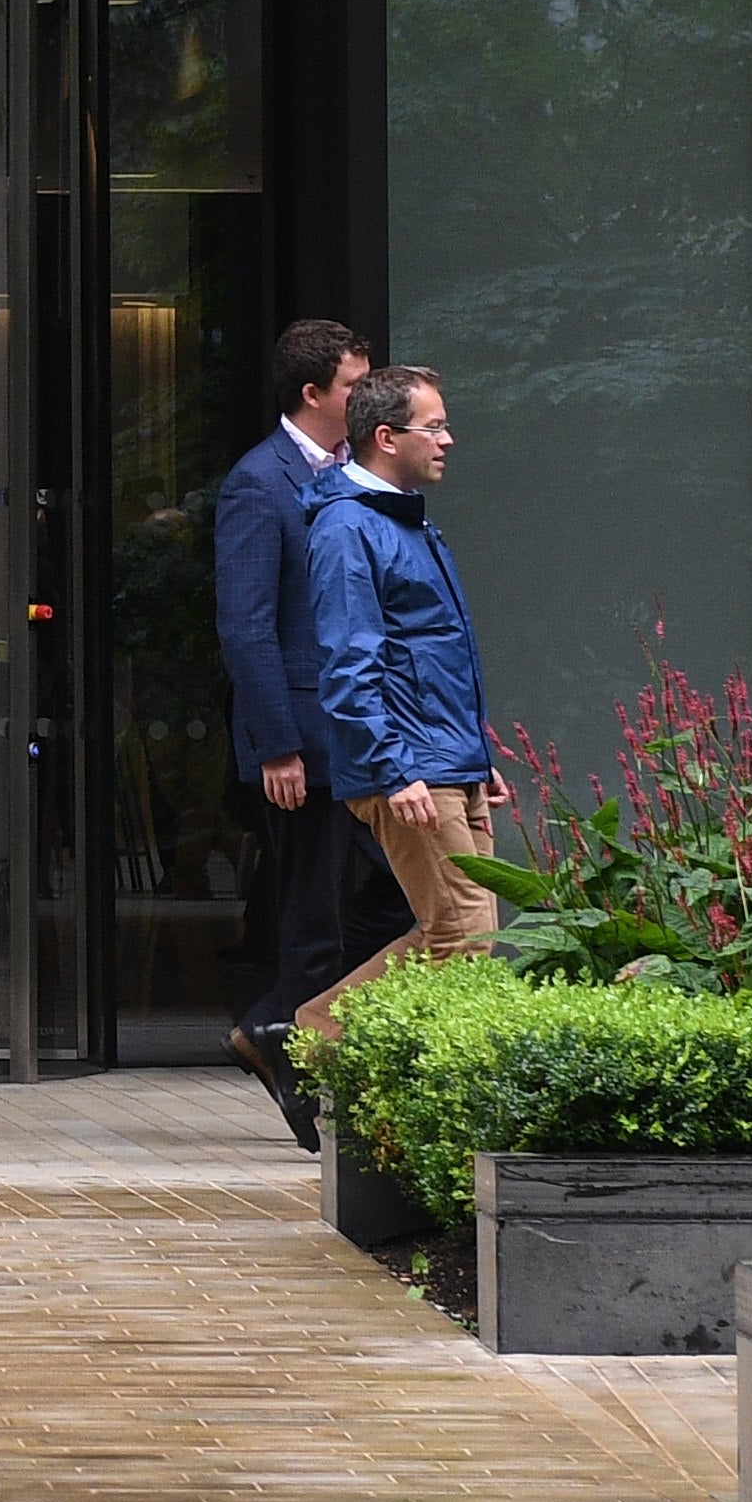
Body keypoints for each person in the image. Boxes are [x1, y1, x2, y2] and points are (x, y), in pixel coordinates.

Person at [214, 316, 402, 1143]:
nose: (366, 397)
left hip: (358, 734)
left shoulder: (352, 475)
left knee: (399, 896)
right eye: (356, 385)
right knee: (313, 911)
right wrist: (276, 744)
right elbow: (246, 624)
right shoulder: (261, 482)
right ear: (313, 393)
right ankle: (298, 1065)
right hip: (304, 737)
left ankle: (276, 1023)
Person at [293, 365, 504, 1050]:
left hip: (445, 761)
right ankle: (327, 1039)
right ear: (387, 436)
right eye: (434, 426)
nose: (449, 439)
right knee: (466, 934)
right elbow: (351, 665)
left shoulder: (401, 520)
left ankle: (317, 1030)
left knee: (459, 930)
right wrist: (392, 768)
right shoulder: (349, 528)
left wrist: (477, 757)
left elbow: (433, 658)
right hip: (411, 767)